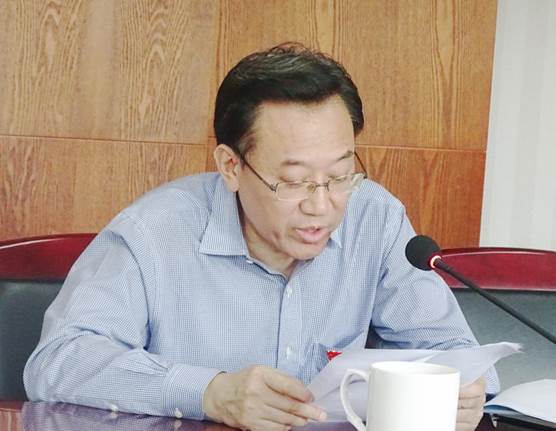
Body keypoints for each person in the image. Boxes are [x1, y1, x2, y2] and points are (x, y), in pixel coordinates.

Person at [24, 43, 496, 431]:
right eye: (293, 181)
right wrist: (210, 393)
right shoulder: (154, 232)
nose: (322, 204)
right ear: (231, 166)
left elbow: (457, 355)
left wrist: (462, 394)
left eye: (340, 175)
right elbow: (60, 362)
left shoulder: (376, 218)